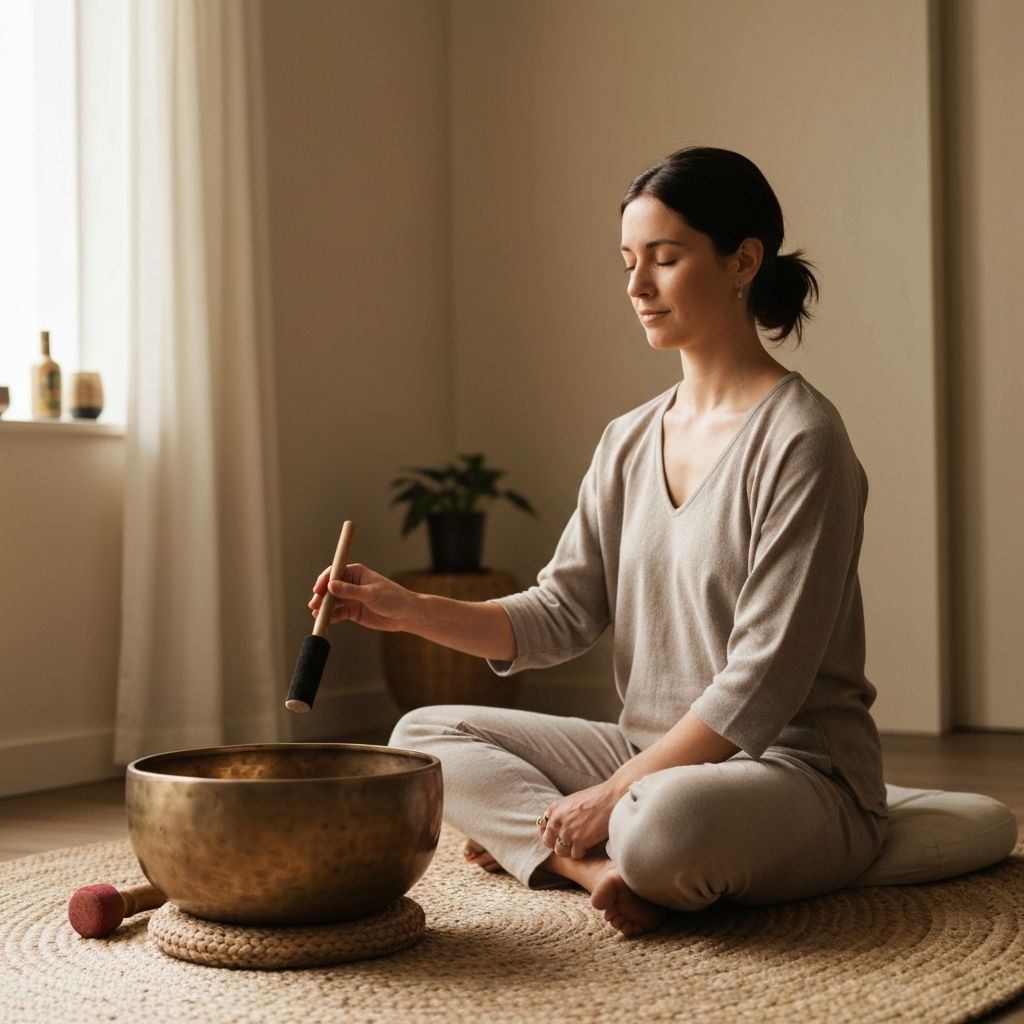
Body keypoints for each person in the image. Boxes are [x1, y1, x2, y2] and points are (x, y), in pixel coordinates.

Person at [308, 146, 889, 937]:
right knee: (422, 738)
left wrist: (613, 796)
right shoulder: (627, 438)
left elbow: (764, 678)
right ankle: (589, 867)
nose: (636, 288)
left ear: (743, 261)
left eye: (664, 259)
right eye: (627, 262)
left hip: (792, 770)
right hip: (645, 752)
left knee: (661, 823)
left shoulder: (803, 440)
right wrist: (409, 610)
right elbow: (560, 612)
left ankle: (575, 839)